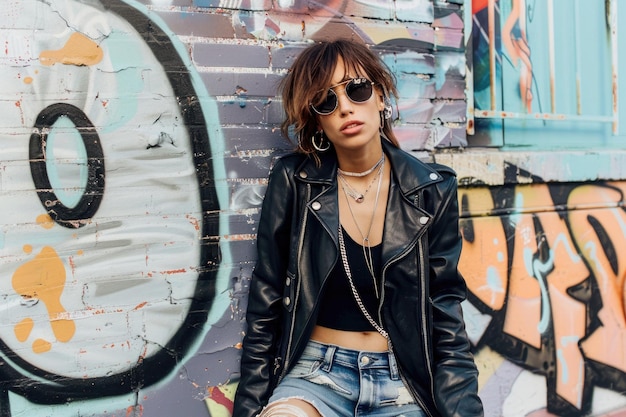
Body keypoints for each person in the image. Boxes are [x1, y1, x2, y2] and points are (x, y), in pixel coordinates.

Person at [233, 39, 484, 417]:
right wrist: (250, 409)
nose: (346, 106)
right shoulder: (294, 181)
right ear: (317, 119)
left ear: (380, 97)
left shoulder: (431, 192)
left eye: (357, 89)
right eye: (326, 101)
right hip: (316, 375)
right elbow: (266, 301)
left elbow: (445, 318)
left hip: (402, 381)